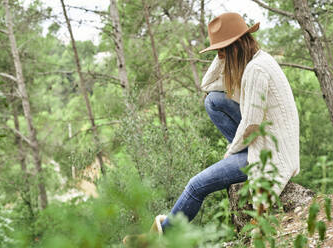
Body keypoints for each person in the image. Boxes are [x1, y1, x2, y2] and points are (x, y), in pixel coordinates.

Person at [123, 12, 300, 244]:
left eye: (221, 51)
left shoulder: (256, 71)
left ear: (235, 47)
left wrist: (232, 152)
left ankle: (159, 238)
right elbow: (207, 85)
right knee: (212, 100)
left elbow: (250, 125)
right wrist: (223, 51)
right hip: (262, 139)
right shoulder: (258, 60)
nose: (220, 56)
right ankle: (239, 157)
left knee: (197, 185)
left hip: (269, 154)